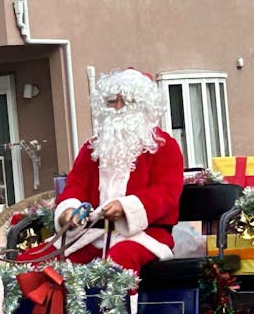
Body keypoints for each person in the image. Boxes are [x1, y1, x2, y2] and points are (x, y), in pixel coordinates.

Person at [20, 68, 184, 274]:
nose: (118, 108)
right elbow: (75, 187)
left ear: (143, 106)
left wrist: (125, 207)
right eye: (112, 101)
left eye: (127, 101)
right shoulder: (92, 148)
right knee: (31, 263)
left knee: (118, 260)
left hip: (144, 235)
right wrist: (69, 212)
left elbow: (165, 193)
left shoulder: (164, 146)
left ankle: (116, 307)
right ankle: (53, 307)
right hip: (92, 234)